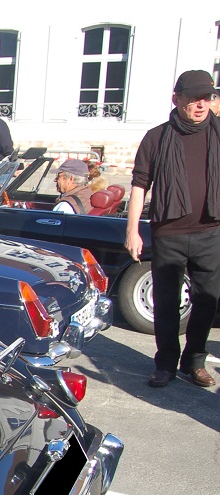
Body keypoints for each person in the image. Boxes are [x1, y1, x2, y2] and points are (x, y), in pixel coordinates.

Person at [125, 69, 220, 389]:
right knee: (166, 303)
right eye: (193, 98)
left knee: (207, 301)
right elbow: (139, 185)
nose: (201, 104)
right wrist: (132, 230)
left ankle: (195, 361)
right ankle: (165, 364)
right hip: (169, 234)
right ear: (176, 99)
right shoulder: (157, 137)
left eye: (206, 97)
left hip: (211, 231)